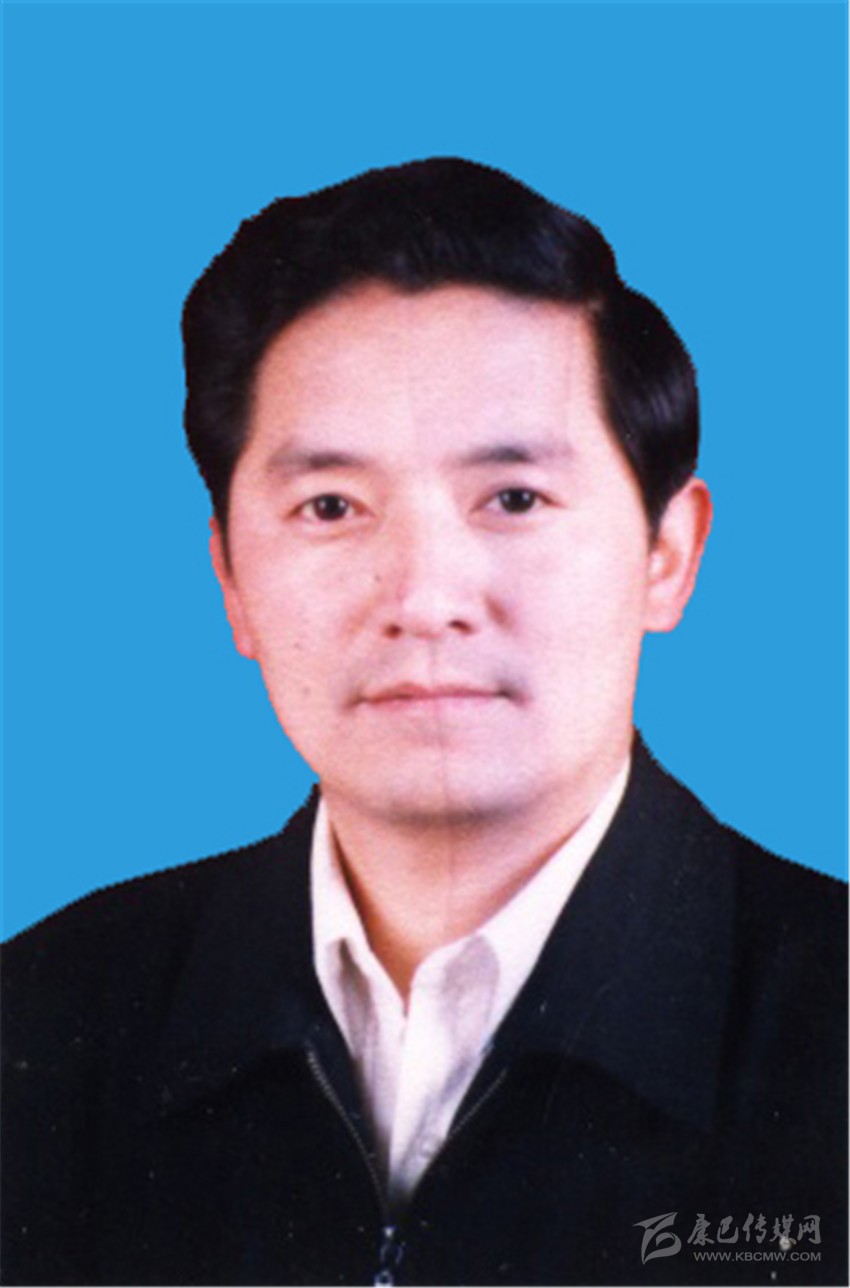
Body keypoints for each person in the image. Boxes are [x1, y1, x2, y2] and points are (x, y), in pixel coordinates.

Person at [2, 159, 845, 1287]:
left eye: (513, 498)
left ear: (666, 554)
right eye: (331, 506)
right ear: (233, 581)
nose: (424, 597)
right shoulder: (41, 1019)